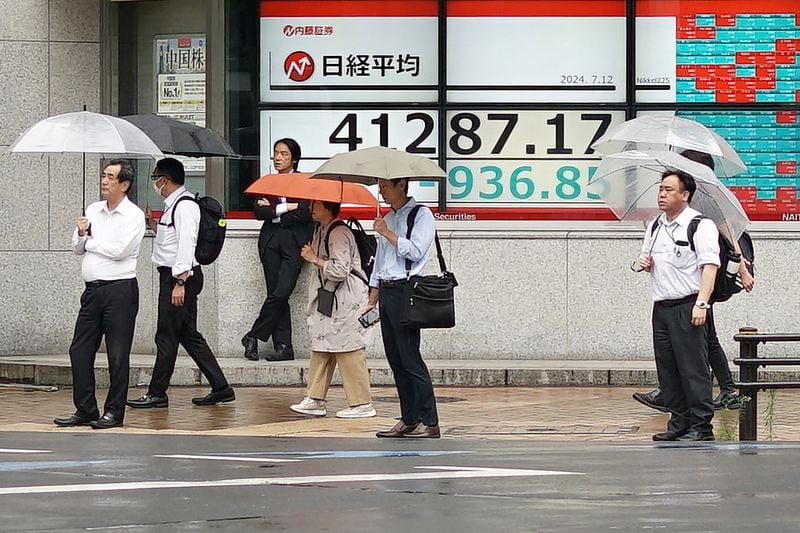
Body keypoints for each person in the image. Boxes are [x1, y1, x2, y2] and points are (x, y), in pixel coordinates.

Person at [633, 150, 755, 413]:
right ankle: (719, 389)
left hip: (699, 283)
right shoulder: (677, 206)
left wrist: (743, 269)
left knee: (704, 340)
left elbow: (728, 233)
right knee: (707, 338)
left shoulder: (704, 198)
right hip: (685, 281)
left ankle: (718, 392)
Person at [127, 158, 234, 409]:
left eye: (156, 177)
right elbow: (172, 240)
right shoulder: (172, 206)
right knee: (188, 335)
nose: (154, 182)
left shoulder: (185, 207)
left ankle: (157, 393)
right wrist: (153, 224)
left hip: (179, 278)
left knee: (166, 335)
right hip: (176, 276)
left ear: (164, 179)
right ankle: (221, 387)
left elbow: (187, 244)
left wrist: (180, 281)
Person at [54, 161, 145, 429]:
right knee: (79, 350)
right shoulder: (93, 209)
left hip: (120, 291)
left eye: (110, 177)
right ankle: (85, 409)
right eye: (103, 176)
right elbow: (76, 247)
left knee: (117, 354)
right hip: (92, 291)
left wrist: (90, 241)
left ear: (124, 184)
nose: (104, 181)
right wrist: (82, 235)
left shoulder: (133, 215)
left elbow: (120, 251)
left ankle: (114, 412)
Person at [637, 170, 720, 441]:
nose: (662, 194)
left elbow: (709, 267)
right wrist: (642, 264)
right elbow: (643, 258)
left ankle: (701, 426)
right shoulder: (654, 225)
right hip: (661, 306)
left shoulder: (700, 224)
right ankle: (678, 422)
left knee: (693, 368)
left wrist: (702, 304)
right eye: (661, 188)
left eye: (669, 189)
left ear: (685, 195)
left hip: (689, 305)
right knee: (668, 368)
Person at [289, 200, 376, 418]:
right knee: (321, 345)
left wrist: (313, 258)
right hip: (331, 299)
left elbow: (340, 270)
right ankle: (315, 398)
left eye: (316, 205)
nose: (311, 208)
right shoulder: (321, 230)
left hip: (346, 299)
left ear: (328, 207)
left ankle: (362, 403)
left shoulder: (338, 233)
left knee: (349, 349)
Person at [368, 178, 440, 439]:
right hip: (387, 291)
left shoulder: (421, 215)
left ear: (402, 186)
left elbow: (417, 251)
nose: (381, 191)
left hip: (406, 290)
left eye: (386, 186)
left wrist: (387, 232)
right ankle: (409, 417)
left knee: (410, 357)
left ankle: (429, 420)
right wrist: (372, 296)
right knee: (395, 359)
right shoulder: (388, 216)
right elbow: (381, 261)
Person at [241, 138, 312, 361]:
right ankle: (284, 346)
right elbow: (259, 213)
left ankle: (253, 335)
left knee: (282, 292)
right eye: (276, 153)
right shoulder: (267, 182)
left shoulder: (303, 182)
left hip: (294, 241)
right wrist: (288, 207)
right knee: (275, 293)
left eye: (284, 154)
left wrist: (275, 210)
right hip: (270, 241)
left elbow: (304, 213)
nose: (278, 158)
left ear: (294, 159)